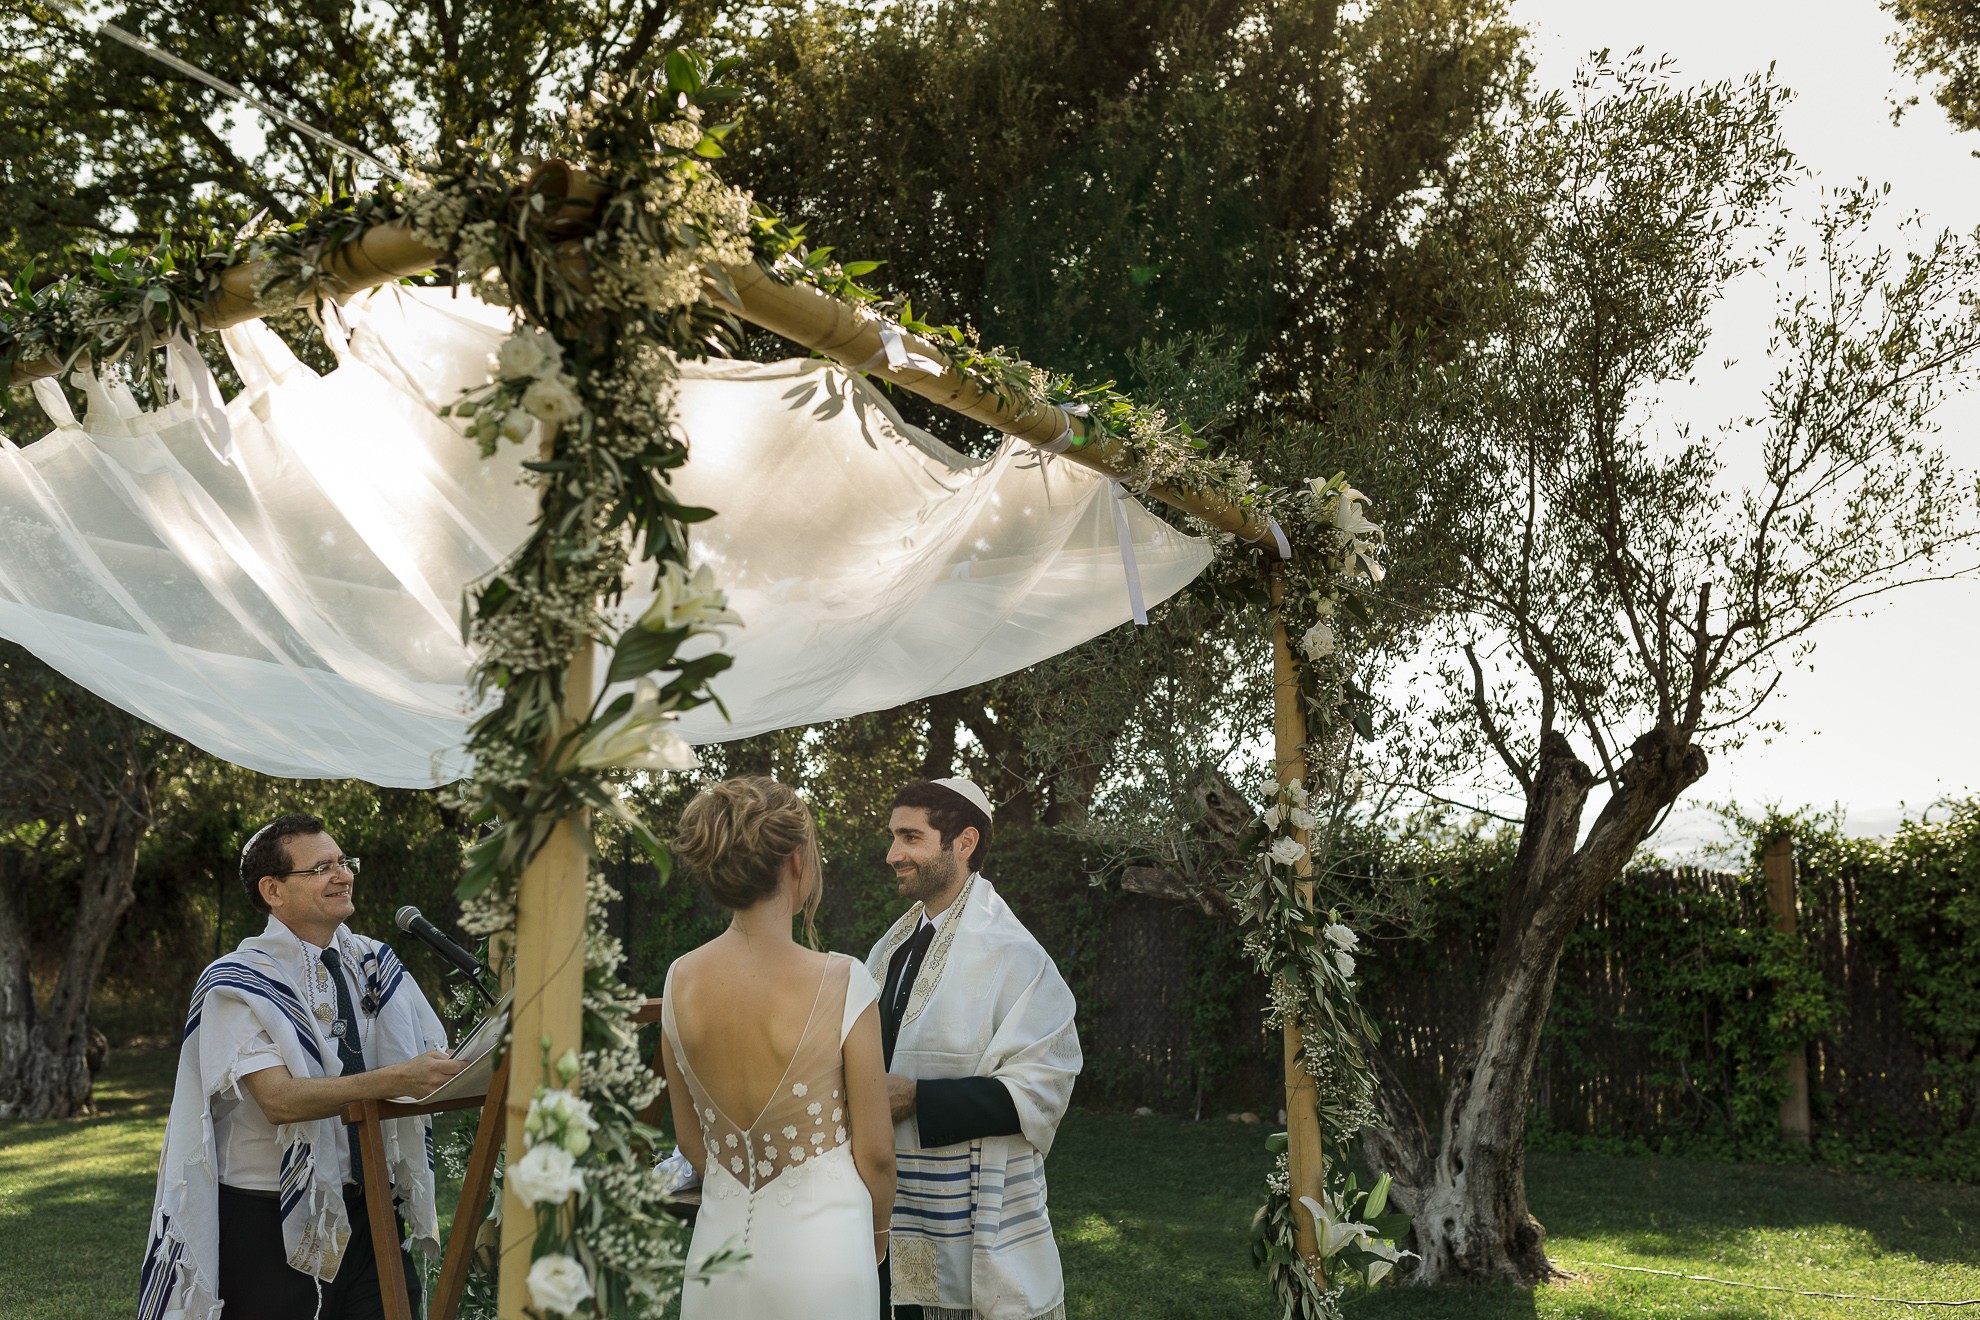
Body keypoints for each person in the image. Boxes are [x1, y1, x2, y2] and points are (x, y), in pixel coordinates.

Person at [140, 813, 467, 1320]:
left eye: (344, 862)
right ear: (272, 889)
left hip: (373, 1204)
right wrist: (398, 1079)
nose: (343, 875)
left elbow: (429, 1052)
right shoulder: (236, 981)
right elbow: (278, 1100)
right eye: (321, 868)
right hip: (270, 1216)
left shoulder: (374, 964)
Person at [661, 776, 896, 1318]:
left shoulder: (680, 979)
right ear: (796, 861)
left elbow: (692, 1140)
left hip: (716, 1255)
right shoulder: (843, 981)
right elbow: (878, 1151)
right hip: (824, 1253)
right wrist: (878, 1232)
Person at [867, 778, 1082, 1320]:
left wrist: (915, 1098)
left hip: (967, 1217)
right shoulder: (892, 947)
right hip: (893, 1203)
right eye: (893, 837)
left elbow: (1039, 1093)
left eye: (910, 838)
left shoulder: (1014, 957)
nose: (893, 854)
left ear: (963, 843)